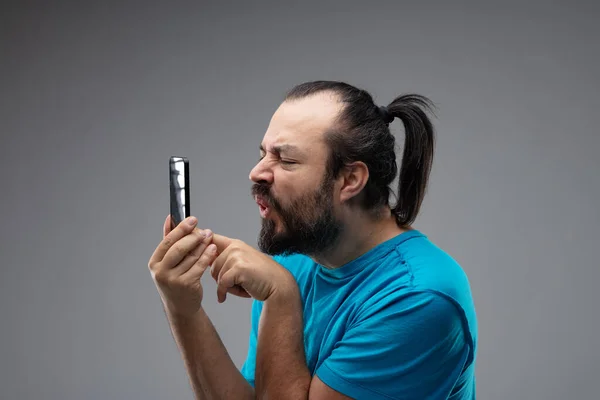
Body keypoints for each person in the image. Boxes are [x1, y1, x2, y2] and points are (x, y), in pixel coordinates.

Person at [147, 80, 478, 399]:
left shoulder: (418, 298)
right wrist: (183, 308)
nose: (256, 172)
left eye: (286, 159)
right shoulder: (295, 255)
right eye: (263, 153)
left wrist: (282, 297)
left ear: (350, 179)